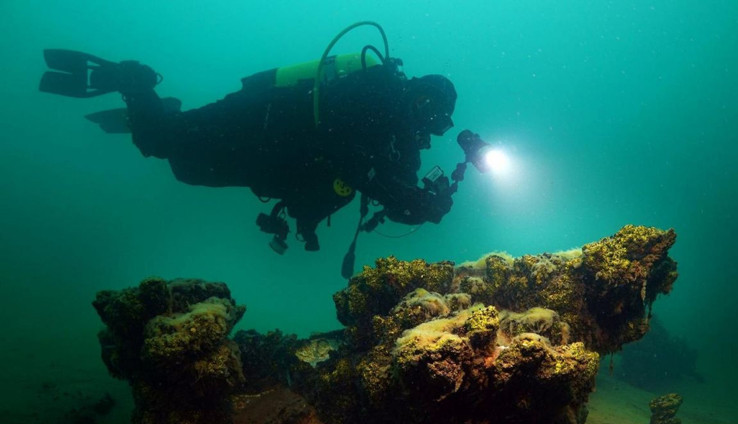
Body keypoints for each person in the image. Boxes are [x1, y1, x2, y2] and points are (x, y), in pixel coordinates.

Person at [39, 27, 459, 268]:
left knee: (185, 169)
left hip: (269, 163)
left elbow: (395, 192)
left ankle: (162, 115)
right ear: (415, 91)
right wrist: (399, 193)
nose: (422, 117)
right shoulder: (377, 91)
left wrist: (426, 204)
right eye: (424, 104)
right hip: (259, 120)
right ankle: (134, 81)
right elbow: (343, 152)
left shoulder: (401, 139)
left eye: (432, 117)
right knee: (159, 143)